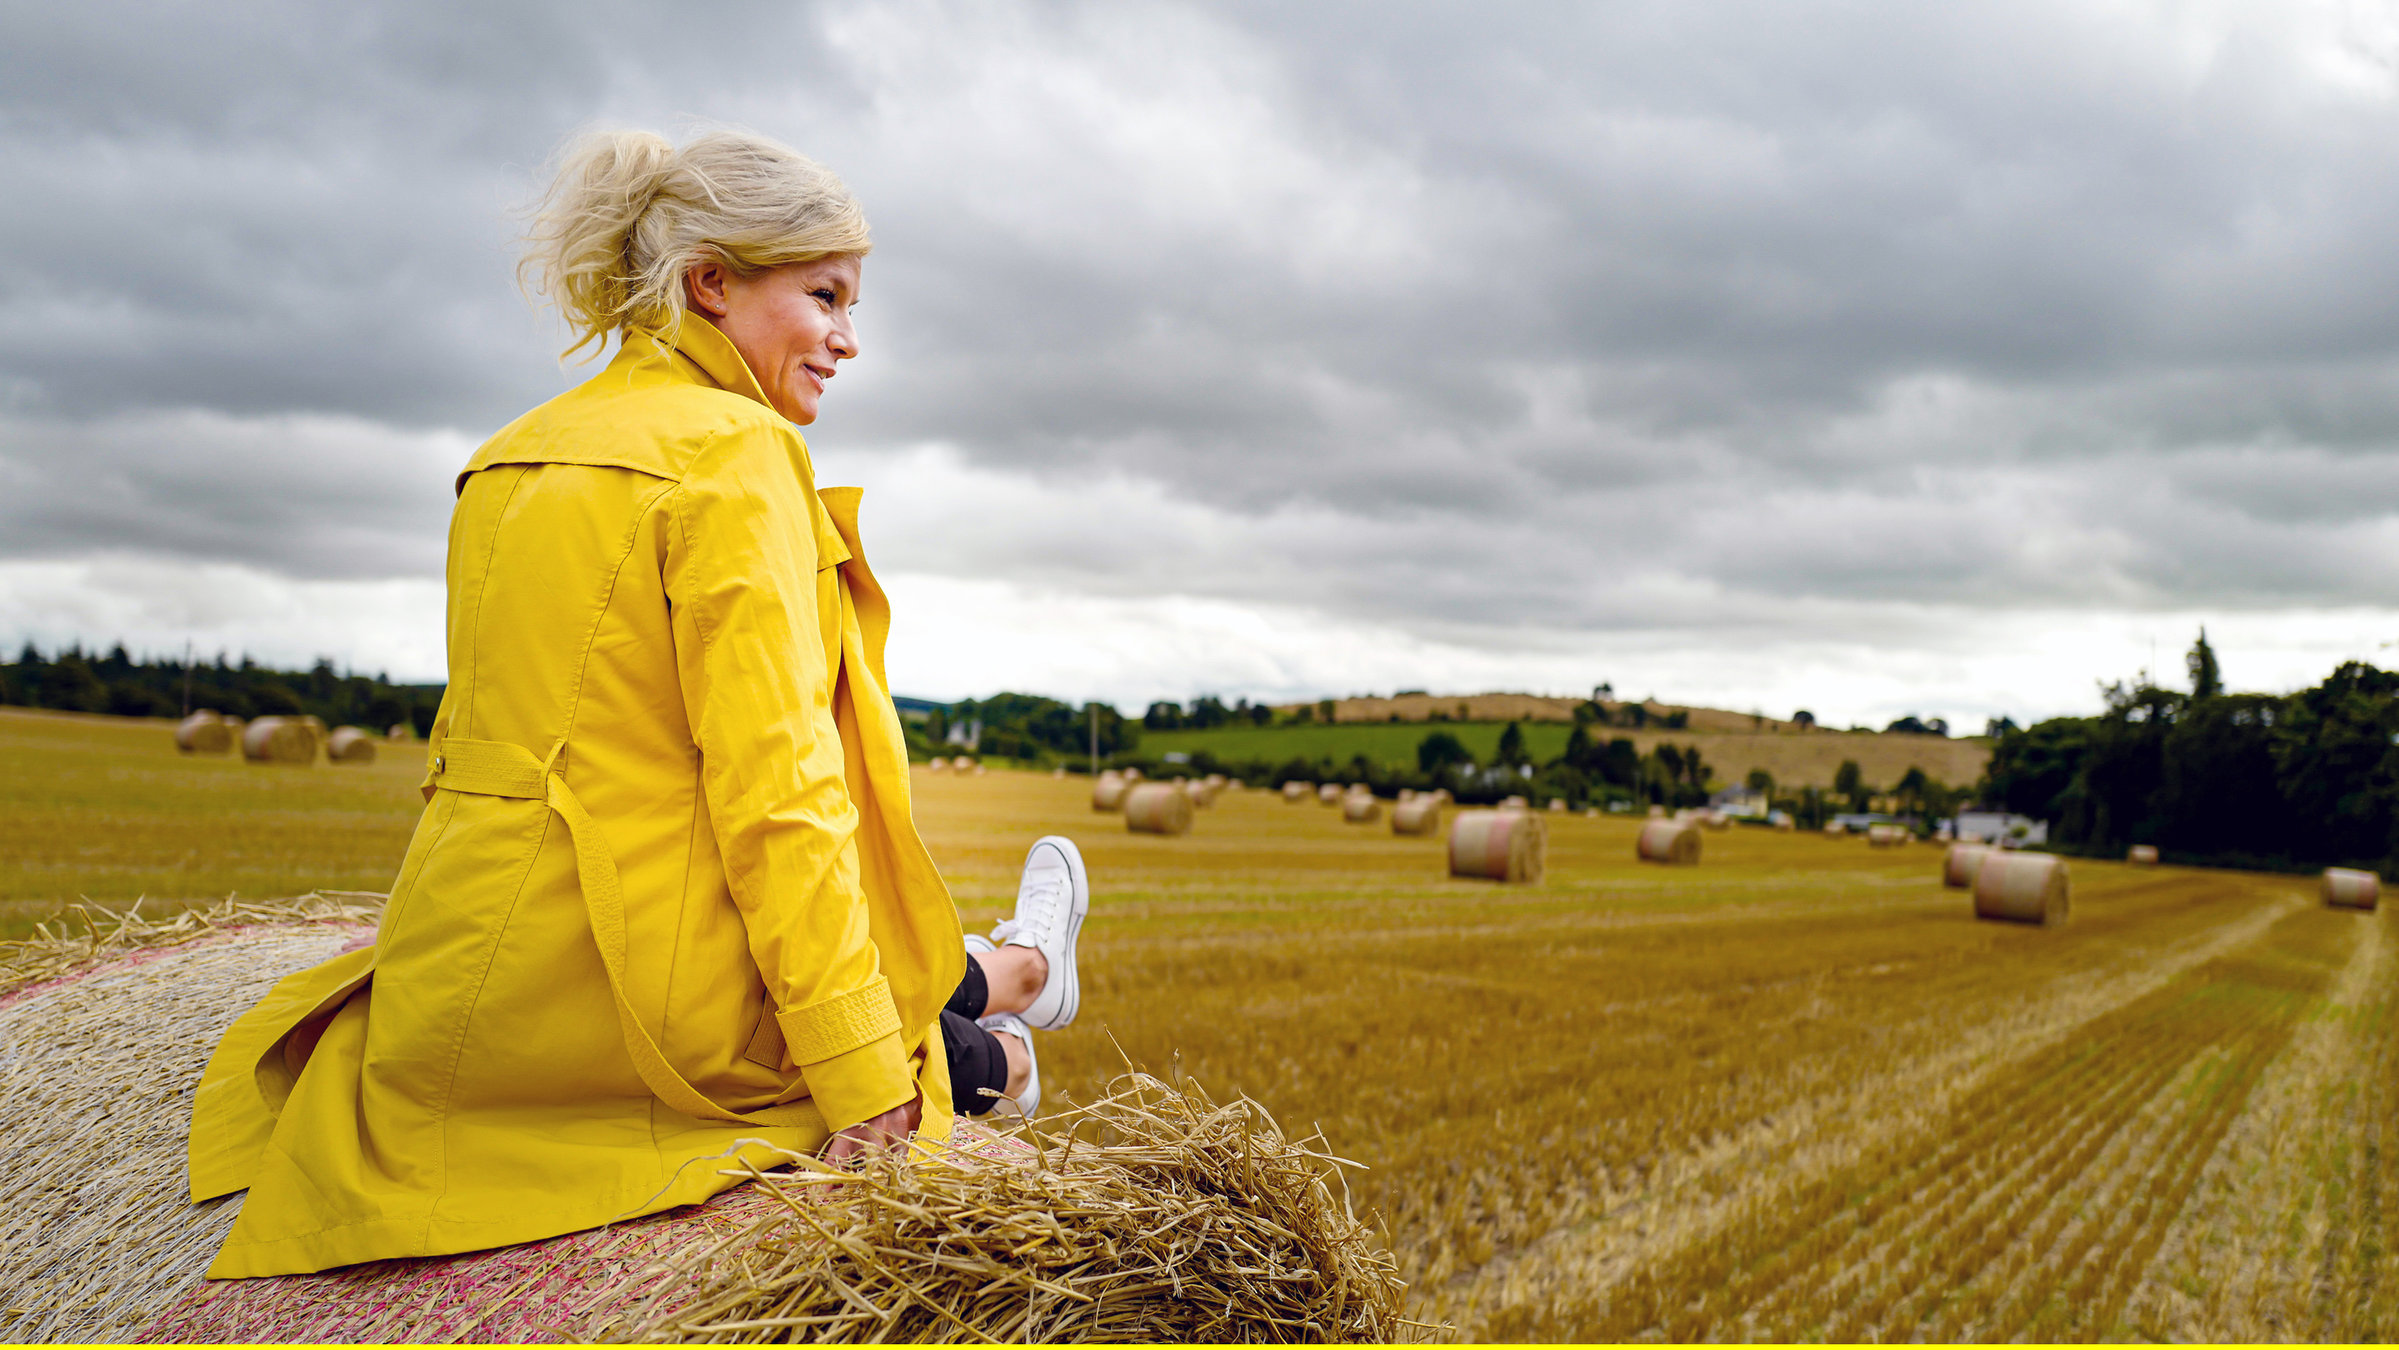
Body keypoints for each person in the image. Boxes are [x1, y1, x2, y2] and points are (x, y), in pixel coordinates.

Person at [183, 128, 1088, 1279]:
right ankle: (1006, 1054)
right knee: (873, 1036)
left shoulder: (508, 453)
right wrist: (865, 1078)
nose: (850, 339)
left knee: (836, 955)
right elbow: (780, 798)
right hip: (646, 1021)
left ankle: (1016, 971)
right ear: (711, 282)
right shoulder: (738, 457)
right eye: (825, 296)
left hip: (460, 992)